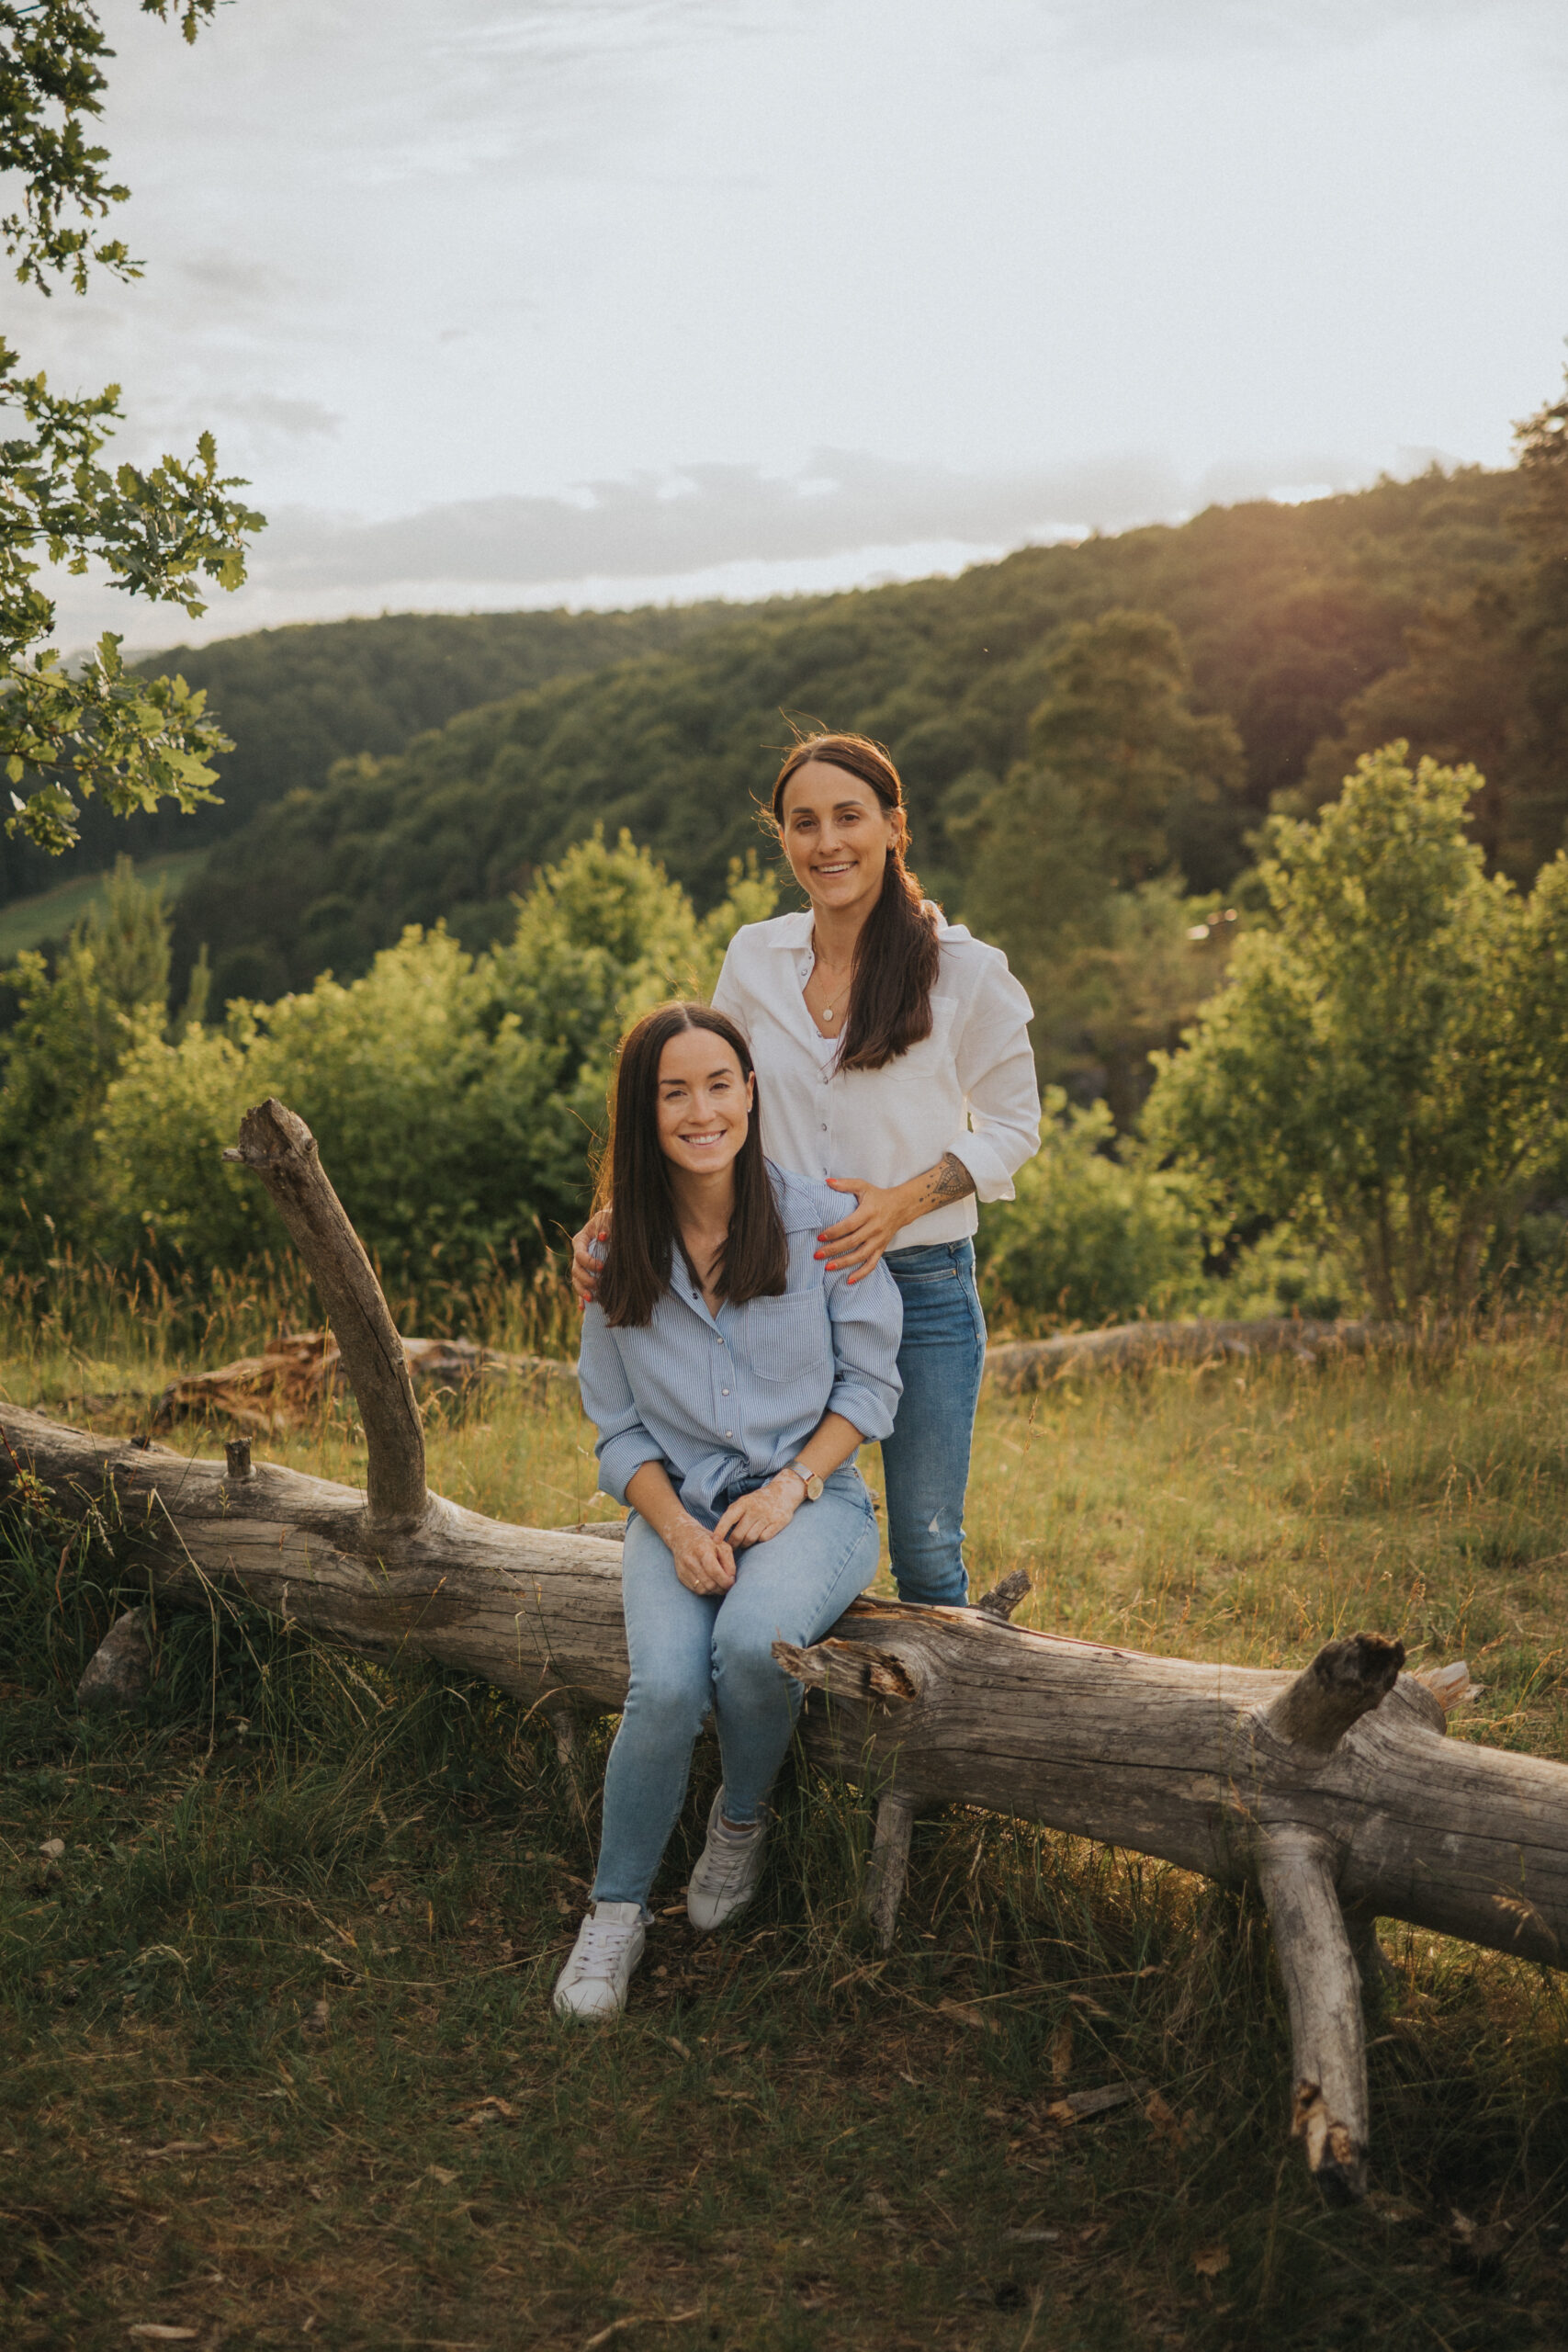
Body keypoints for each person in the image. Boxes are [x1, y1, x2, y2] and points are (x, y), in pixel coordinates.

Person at [573, 732, 1039, 1609]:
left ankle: (933, 1693)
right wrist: (622, 1215)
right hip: (778, 1280)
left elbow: (1015, 1127)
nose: (827, 842)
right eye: (803, 822)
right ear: (783, 837)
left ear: (894, 827)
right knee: (760, 1511)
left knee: (926, 1545)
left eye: (848, 817)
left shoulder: (966, 973)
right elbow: (709, 1101)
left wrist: (899, 1205)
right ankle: (773, 1661)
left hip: (923, 1282)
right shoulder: (754, 958)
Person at [555, 1000, 903, 2021]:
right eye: (674, 1093)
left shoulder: (821, 1221)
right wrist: (672, 1528)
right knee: (665, 1686)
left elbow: (870, 1389)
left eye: (719, 1085)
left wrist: (789, 1488)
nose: (701, 1111)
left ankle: (740, 1819)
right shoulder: (612, 1253)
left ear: (751, 1093)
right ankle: (615, 1912)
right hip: (676, 1508)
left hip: (815, 1501)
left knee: (754, 1644)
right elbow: (618, 1431)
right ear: (643, 1110)